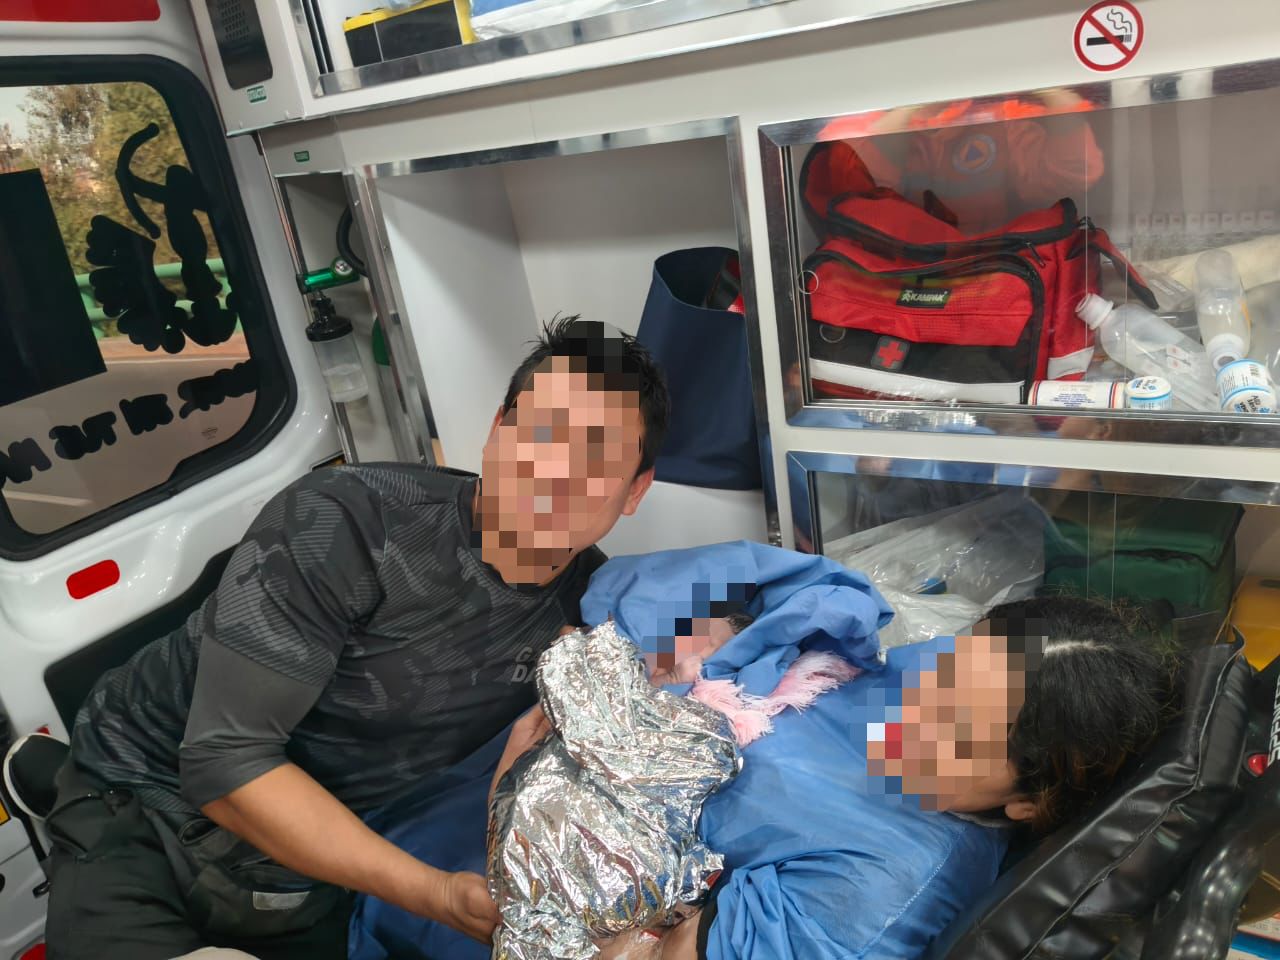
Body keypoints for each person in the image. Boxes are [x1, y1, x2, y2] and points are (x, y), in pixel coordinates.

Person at [39, 315, 671, 960]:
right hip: (148, 792)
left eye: (597, 459)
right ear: (498, 430)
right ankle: (54, 778)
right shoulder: (347, 523)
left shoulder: (591, 606)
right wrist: (438, 894)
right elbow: (224, 761)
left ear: (635, 491)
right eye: (542, 432)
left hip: (316, 844)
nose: (557, 472)